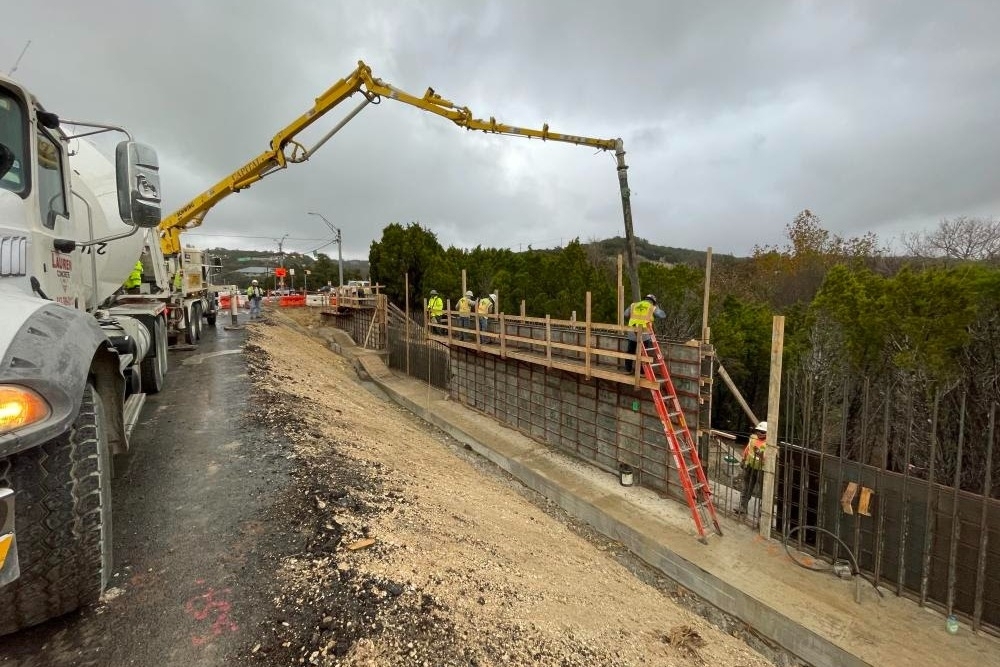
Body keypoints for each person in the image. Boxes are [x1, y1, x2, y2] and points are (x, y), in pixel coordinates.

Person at [623, 294, 666, 373]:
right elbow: (663, 315)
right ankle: (642, 372)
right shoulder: (652, 307)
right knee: (644, 353)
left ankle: (628, 370)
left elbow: (625, 314)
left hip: (632, 332)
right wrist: (657, 307)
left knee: (630, 351)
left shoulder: (634, 305)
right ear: (653, 302)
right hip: (644, 334)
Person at [736, 421, 768, 515]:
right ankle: (742, 507)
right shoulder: (753, 438)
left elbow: (769, 459)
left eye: (762, 432)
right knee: (746, 488)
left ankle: (763, 514)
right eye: (758, 430)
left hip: (762, 470)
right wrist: (743, 459)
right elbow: (747, 449)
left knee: (763, 492)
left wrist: (762, 456)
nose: (759, 433)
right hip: (750, 467)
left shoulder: (769, 443)